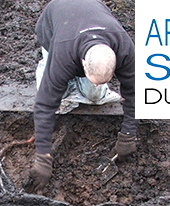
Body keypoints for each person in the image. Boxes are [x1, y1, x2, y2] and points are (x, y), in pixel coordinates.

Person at [26, 0, 137, 193]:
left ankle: (79, 83)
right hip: (56, 27)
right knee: (54, 90)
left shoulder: (125, 48)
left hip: (93, 15)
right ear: (84, 62)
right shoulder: (62, 51)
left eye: (102, 81)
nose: (96, 83)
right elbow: (45, 105)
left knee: (93, 95)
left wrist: (128, 135)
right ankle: (48, 71)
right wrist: (43, 157)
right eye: (94, 79)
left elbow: (134, 92)